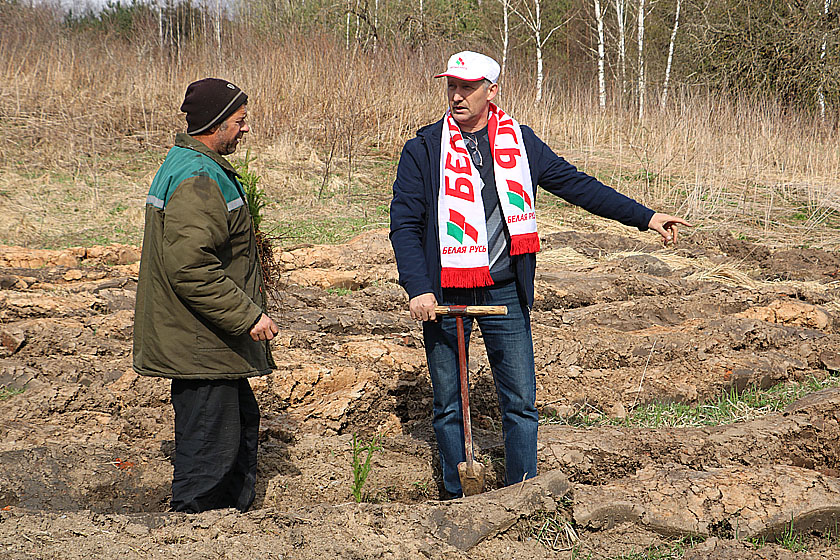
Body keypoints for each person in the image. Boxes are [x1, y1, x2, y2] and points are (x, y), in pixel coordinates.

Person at [389, 52, 691, 498]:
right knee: (449, 404)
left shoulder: (520, 143)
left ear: (492, 90)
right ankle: (457, 497)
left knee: (520, 402)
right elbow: (405, 224)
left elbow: (578, 186)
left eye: (467, 87)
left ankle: (521, 496)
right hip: (446, 291)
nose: (457, 95)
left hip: (505, 289)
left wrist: (645, 217)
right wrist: (419, 288)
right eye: (451, 86)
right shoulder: (424, 149)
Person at [133, 78, 278, 513]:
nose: (245, 129)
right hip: (203, 342)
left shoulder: (193, 164)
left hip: (208, 341)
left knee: (235, 431)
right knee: (209, 450)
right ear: (215, 125)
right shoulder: (198, 177)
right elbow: (191, 267)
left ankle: (228, 524)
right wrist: (248, 316)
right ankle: (193, 529)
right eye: (239, 121)